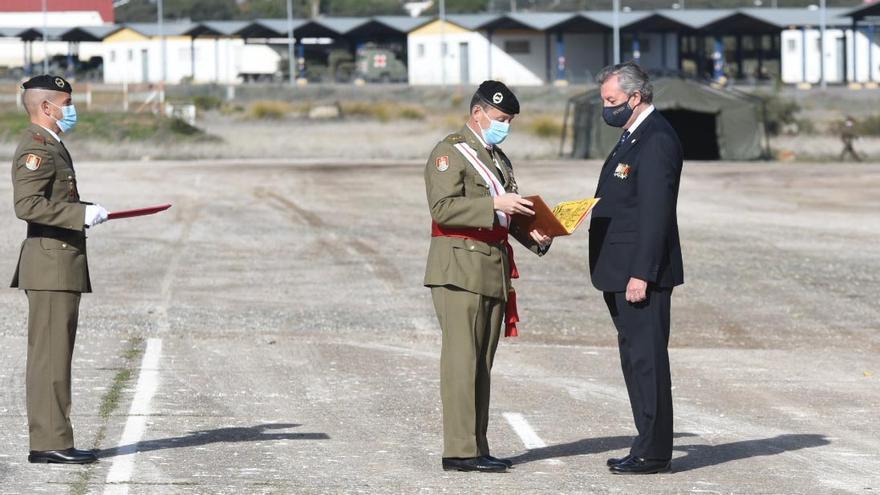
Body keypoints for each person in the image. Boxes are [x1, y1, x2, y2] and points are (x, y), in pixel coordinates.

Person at [424, 80, 552, 473]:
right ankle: (459, 451)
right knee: (461, 361)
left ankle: (477, 446)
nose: (504, 126)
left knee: (481, 362)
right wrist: (493, 202)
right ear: (477, 113)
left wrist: (538, 236)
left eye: (509, 120)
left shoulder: (498, 159)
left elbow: (505, 215)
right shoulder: (450, 153)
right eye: (499, 118)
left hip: (492, 268)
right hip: (459, 268)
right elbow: (443, 208)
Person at [588, 62, 684, 474]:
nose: (606, 109)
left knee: (647, 360)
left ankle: (653, 451)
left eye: (611, 101)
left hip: (638, 274)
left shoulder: (657, 138)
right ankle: (645, 443)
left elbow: (655, 214)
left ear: (635, 96)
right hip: (620, 269)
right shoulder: (633, 135)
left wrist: (641, 273)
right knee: (634, 358)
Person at [11, 75, 109, 464]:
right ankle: (49, 442)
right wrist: (80, 214)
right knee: (50, 357)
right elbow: (28, 205)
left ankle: (52, 438)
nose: (72, 109)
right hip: (50, 264)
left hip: (58, 263)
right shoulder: (36, 147)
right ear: (47, 107)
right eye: (67, 103)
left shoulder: (52, 144)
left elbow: (55, 199)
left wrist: (85, 210)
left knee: (56, 354)